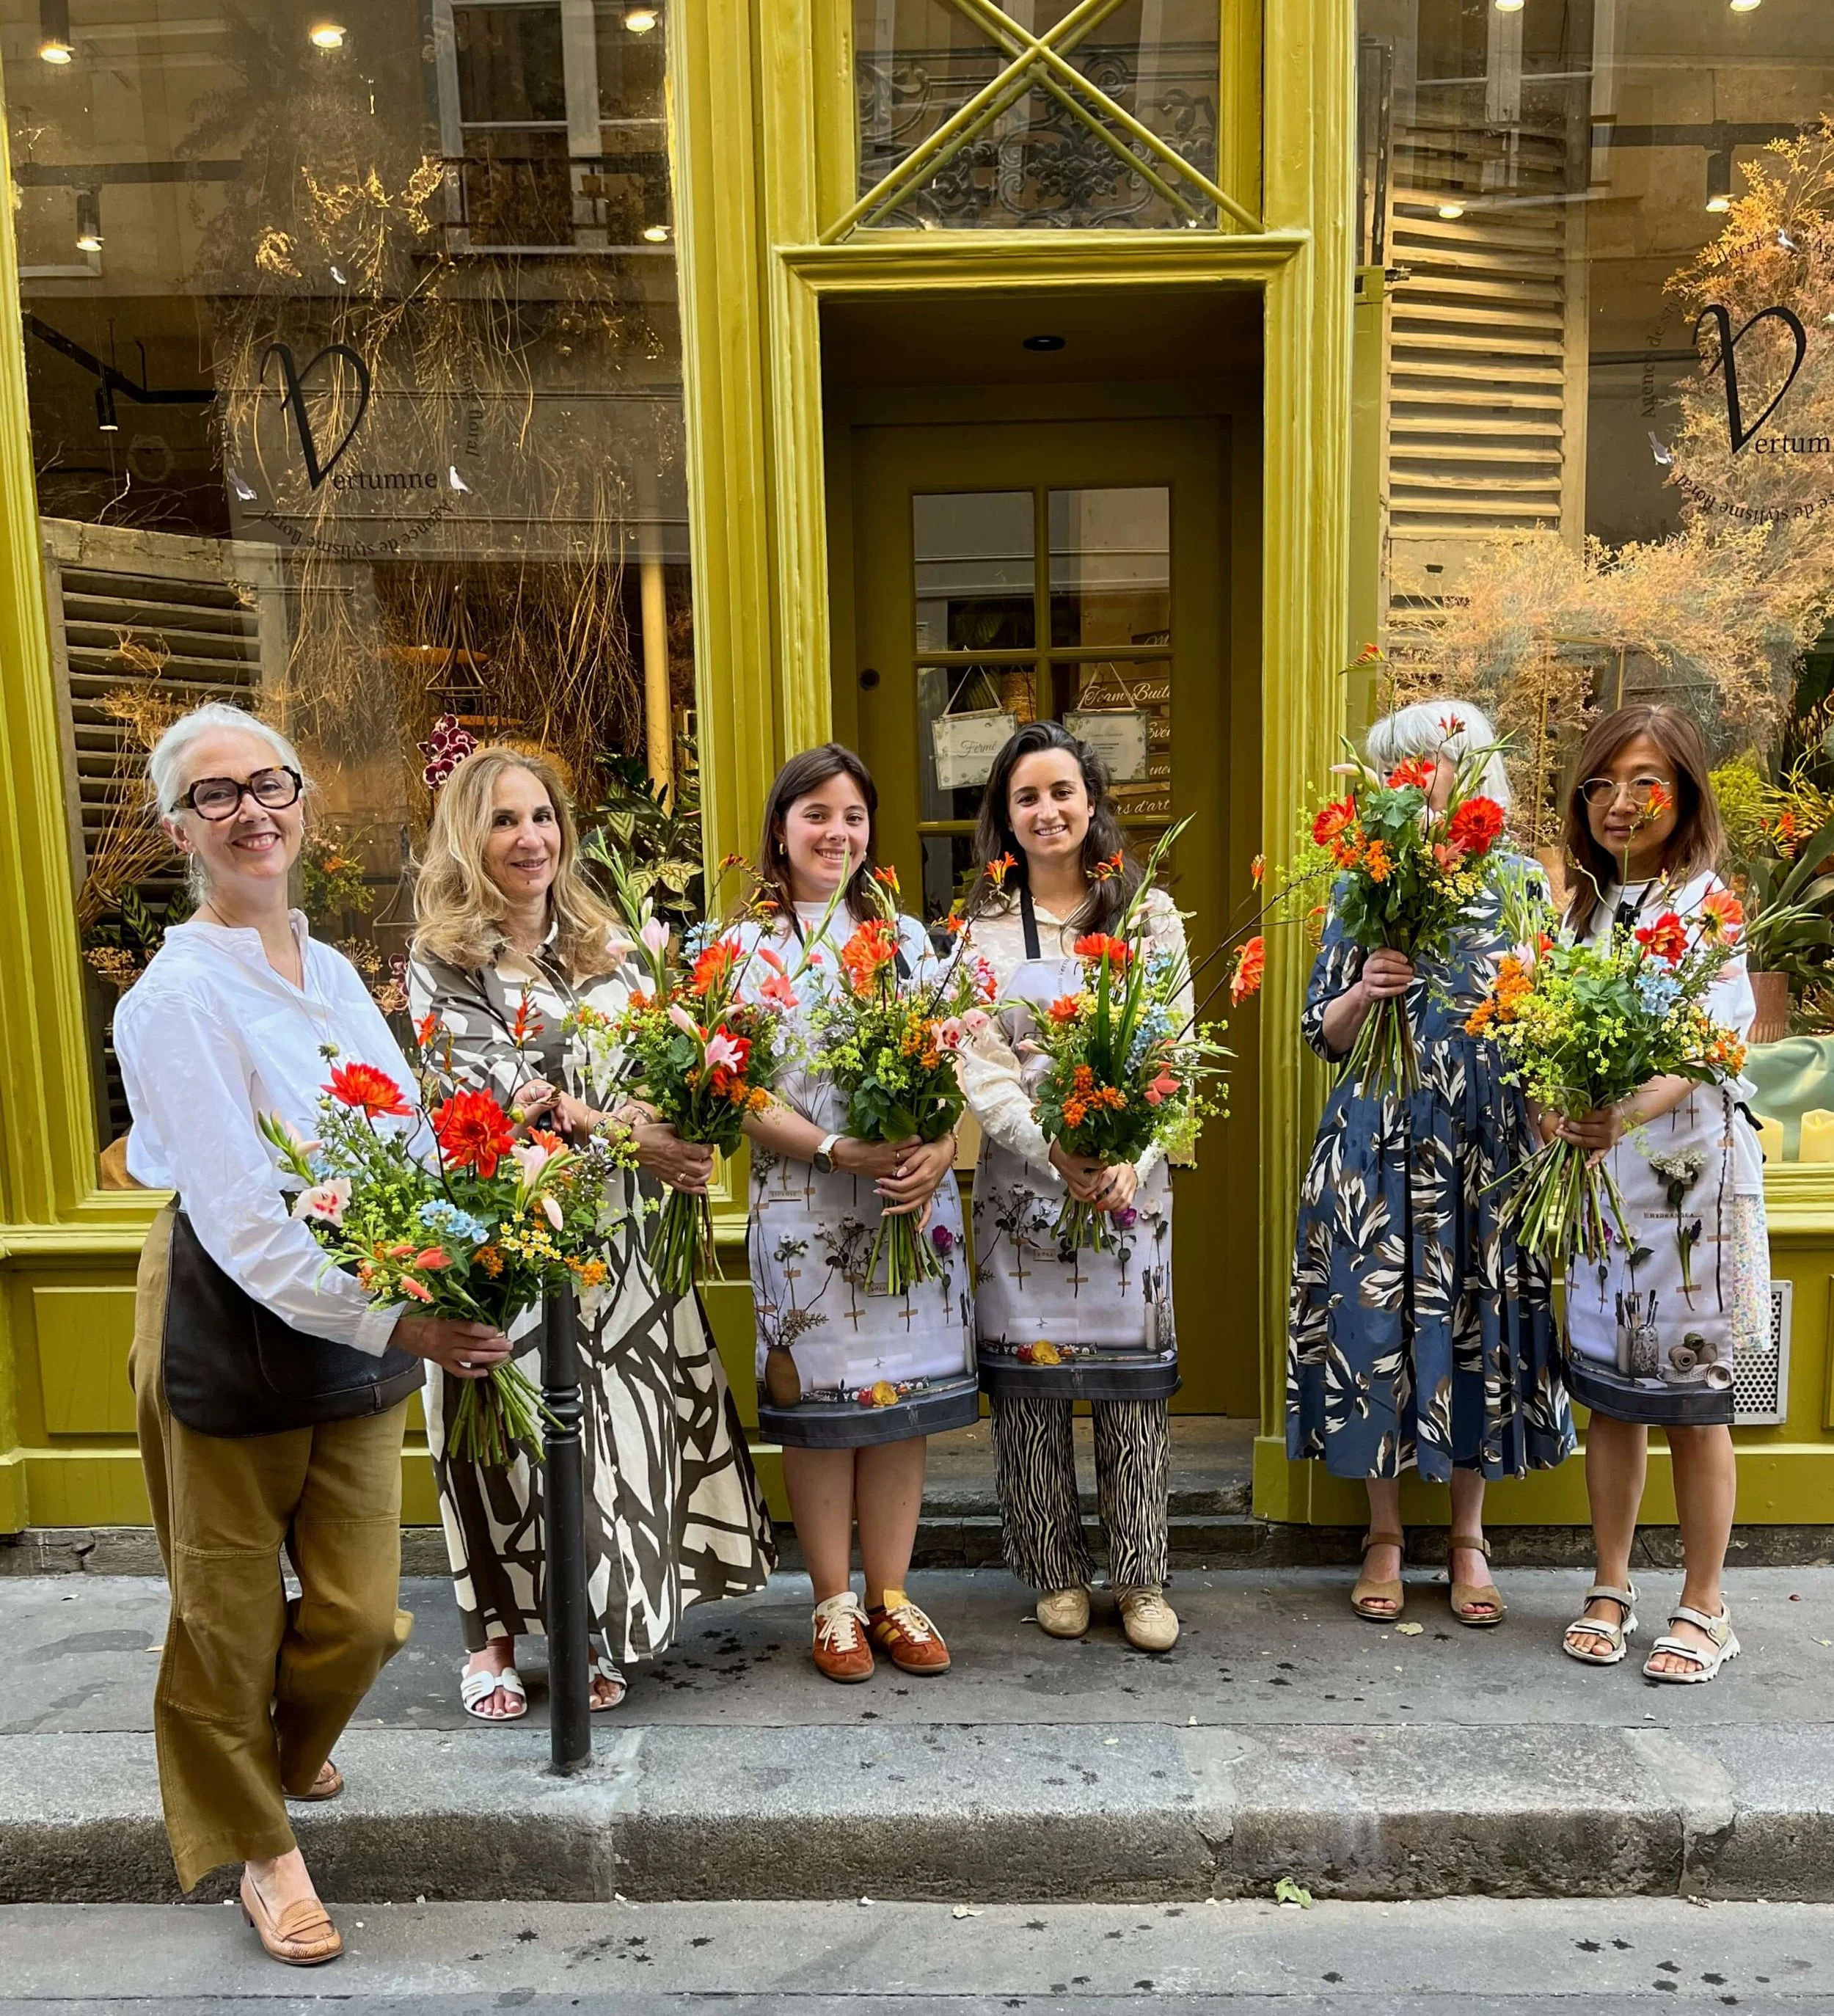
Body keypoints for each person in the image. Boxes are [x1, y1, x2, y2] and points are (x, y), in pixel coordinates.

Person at [117, 702, 514, 1964]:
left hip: (357, 1296)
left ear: (302, 801)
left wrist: (471, 1245)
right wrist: (402, 1313)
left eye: (270, 783)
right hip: (226, 1309)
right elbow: (239, 1214)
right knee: (227, 1608)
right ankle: (262, 1848)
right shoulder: (175, 996)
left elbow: (394, 1133)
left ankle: (276, 1748)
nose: (252, 809)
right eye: (217, 794)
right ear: (182, 827)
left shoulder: (334, 967)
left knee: (353, 1610)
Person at [409, 745, 775, 1721]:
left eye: (541, 818)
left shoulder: (606, 943)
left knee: (610, 1437)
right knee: (509, 1437)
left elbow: (663, 1065)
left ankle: (593, 1622)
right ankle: (490, 1636)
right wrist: (633, 1139)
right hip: (509, 1235)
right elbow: (491, 1105)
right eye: (502, 821)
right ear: (466, 837)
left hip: (623, 1244)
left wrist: (686, 1128)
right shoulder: (443, 961)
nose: (529, 839)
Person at [1286, 701, 1574, 1626]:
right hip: (1376, 1145)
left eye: (1422, 767)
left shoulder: (1524, 887)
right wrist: (1362, 990)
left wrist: (1548, 1123)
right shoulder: (1360, 884)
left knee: (1475, 1333)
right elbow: (1318, 1033)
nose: (1406, 787)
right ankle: (1381, 1535)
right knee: (1374, 1336)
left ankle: (1467, 1537)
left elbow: (1549, 1025)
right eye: (1393, 773)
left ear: (1466, 772)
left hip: (1483, 1145)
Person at [737, 745, 978, 1682]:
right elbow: (743, 1091)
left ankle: (891, 1593)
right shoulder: (740, 951)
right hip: (803, 1215)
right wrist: (838, 1148)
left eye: (853, 816)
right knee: (821, 1414)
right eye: (816, 815)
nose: (837, 833)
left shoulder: (911, 943)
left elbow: (957, 1063)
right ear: (781, 829)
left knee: (899, 1409)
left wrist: (941, 1149)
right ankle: (832, 1602)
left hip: (905, 1210)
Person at [955, 720, 1189, 1654]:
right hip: (1022, 1185)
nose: (1046, 811)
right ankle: (1053, 1567)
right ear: (1004, 819)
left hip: (1127, 1185)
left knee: (1132, 1387)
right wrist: (1050, 1147)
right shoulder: (976, 927)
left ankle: (1140, 1576)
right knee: (1031, 1388)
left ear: (1091, 802)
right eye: (1026, 798)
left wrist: (1137, 1150)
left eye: (1061, 793)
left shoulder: (1148, 915)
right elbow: (979, 1060)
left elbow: (1179, 1050)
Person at [1554, 705, 1761, 1684]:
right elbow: (1548, 1033)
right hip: (1606, 1189)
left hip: (1688, 1186)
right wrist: (1556, 1111)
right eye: (1602, 784)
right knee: (1613, 1396)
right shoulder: (1582, 910)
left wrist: (1619, 1115)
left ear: (1684, 792)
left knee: (1690, 1401)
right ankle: (1610, 1582)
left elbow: (1709, 1045)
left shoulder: (1709, 904)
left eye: (1644, 782)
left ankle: (1706, 1602)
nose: (1620, 803)